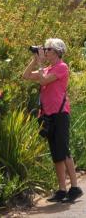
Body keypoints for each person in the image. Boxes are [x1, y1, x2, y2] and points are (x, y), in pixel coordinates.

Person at [22, 38, 83, 203]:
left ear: (56, 52)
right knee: (56, 153)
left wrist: (41, 64)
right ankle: (62, 189)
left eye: (48, 49)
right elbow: (26, 75)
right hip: (48, 115)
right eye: (45, 49)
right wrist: (35, 60)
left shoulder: (62, 67)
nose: (45, 51)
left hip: (61, 113)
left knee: (63, 150)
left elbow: (43, 80)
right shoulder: (47, 68)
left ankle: (75, 188)